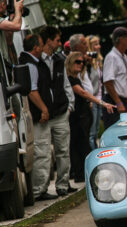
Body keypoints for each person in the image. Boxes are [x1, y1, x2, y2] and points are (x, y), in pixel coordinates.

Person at [18, 34, 58, 200]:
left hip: (34, 117)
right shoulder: (31, 65)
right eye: (41, 45)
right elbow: (32, 91)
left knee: (41, 151)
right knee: (42, 152)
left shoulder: (28, 62)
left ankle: (38, 188)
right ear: (35, 48)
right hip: (38, 117)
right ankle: (39, 190)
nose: (42, 49)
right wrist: (44, 109)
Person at [38, 26, 77, 196]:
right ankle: (41, 189)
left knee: (63, 151)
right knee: (44, 153)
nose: (60, 44)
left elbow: (65, 84)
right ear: (48, 41)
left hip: (61, 112)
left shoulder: (59, 60)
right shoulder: (36, 60)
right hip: (43, 116)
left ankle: (63, 185)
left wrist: (70, 105)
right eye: (57, 40)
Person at [66, 52, 115, 182]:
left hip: (83, 116)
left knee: (83, 143)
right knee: (79, 145)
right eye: (77, 62)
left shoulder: (77, 78)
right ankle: (81, 174)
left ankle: (84, 174)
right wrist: (103, 103)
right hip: (76, 117)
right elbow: (83, 93)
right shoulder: (71, 79)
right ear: (70, 63)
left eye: (82, 62)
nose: (81, 64)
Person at [103, 27, 127, 129]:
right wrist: (118, 102)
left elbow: (123, 82)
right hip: (114, 101)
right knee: (116, 132)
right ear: (120, 39)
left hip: (123, 100)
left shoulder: (124, 56)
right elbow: (108, 82)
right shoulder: (111, 57)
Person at [86, 35, 103, 148]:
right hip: (92, 99)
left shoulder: (99, 61)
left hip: (100, 99)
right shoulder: (87, 63)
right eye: (95, 44)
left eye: (98, 44)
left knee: (96, 131)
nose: (98, 46)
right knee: (91, 133)